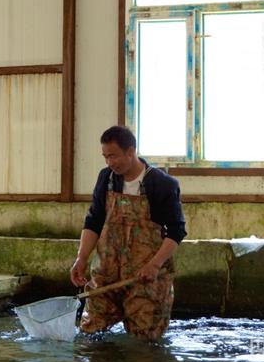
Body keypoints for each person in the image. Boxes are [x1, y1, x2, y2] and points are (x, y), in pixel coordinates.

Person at [70, 125, 187, 341]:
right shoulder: (106, 179)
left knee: (145, 343)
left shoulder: (162, 184)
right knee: (90, 335)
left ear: (131, 151)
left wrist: (154, 264)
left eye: (113, 156)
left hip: (146, 280)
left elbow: (177, 232)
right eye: (105, 157)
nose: (109, 162)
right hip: (107, 276)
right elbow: (94, 220)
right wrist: (82, 257)